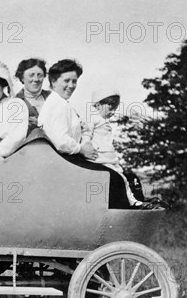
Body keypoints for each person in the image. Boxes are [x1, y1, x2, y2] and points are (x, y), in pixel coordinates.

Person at [38, 59, 131, 209]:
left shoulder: (61, 103)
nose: (71, 86)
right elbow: (60, 141)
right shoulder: (57, 104)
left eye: (74, 81)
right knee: (113, 178)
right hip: (62, 159)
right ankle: (119, 221)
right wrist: (82, 149)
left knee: (118, 175)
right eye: (66, 81)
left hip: (65, 158)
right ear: (54, 82)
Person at [82, 88, 143, 207]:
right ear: (98, 105)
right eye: (110, 107)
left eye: (115, 108)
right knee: (120, 178)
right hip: (100, 157)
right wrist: (86, 144)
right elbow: (86, 134)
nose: (113, 112)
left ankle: (131, 200)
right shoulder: (93, 118)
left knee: (124, 177)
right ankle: (131, 202)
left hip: (108, 157)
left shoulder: (104, 121)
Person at [14, 58, 50, 134]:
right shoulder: (14, 102)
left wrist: (40, 122)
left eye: (40, 75)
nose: (36, 79)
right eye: (31, 75)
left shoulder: (53, 97)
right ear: (22, 78)